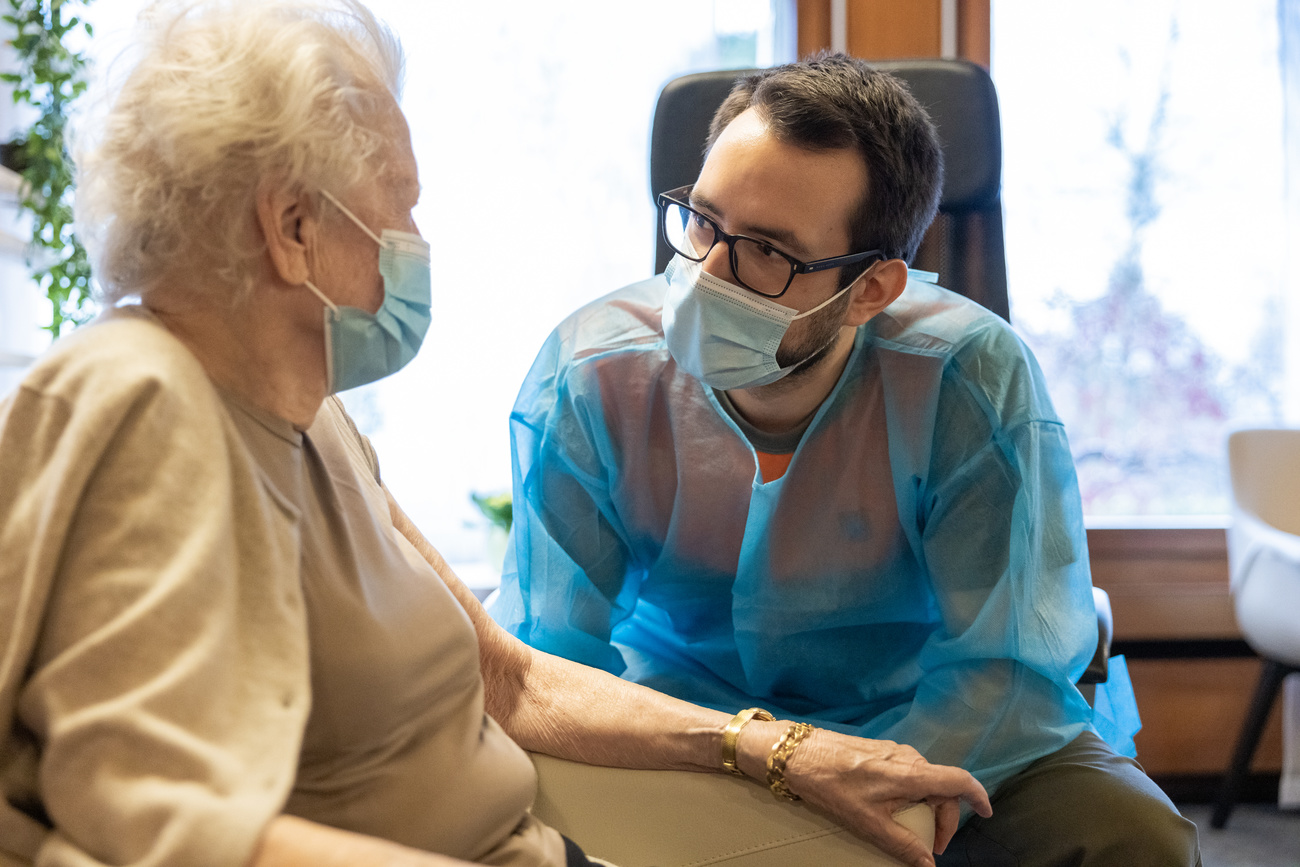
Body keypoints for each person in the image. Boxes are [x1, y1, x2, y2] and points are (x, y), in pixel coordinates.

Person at [0, 5, 993, 867]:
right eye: (401, 200)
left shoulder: (310, 411)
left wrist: (767, 747)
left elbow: (506, 676)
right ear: (294, 225)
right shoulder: (141, 402)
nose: (417, 240)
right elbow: (159, 831)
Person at [491, 54, 1202, 866]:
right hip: (681, 727)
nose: (704, 276)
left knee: (1131, 836)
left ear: (869, 290)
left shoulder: (969, 378)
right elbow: (548, 662)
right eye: (702, 221)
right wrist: (754, 761)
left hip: (918, 721)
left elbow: (1000, 674)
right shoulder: (590, 374)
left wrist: (868, 792)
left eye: (767, 253)